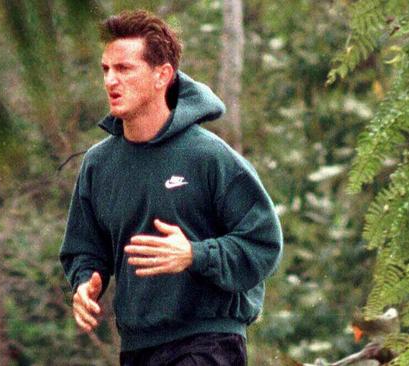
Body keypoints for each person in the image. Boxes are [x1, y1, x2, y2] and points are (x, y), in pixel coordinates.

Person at [60, 10, 283, 366]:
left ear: (162, 74)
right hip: (136, 347)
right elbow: (85, 248)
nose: (111, 81)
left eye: (124, 69)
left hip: (208, 341)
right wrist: (86, 282)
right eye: (106, 70)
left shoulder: (208, 156)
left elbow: (263, 243)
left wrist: (195, 254)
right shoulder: (98, 165)